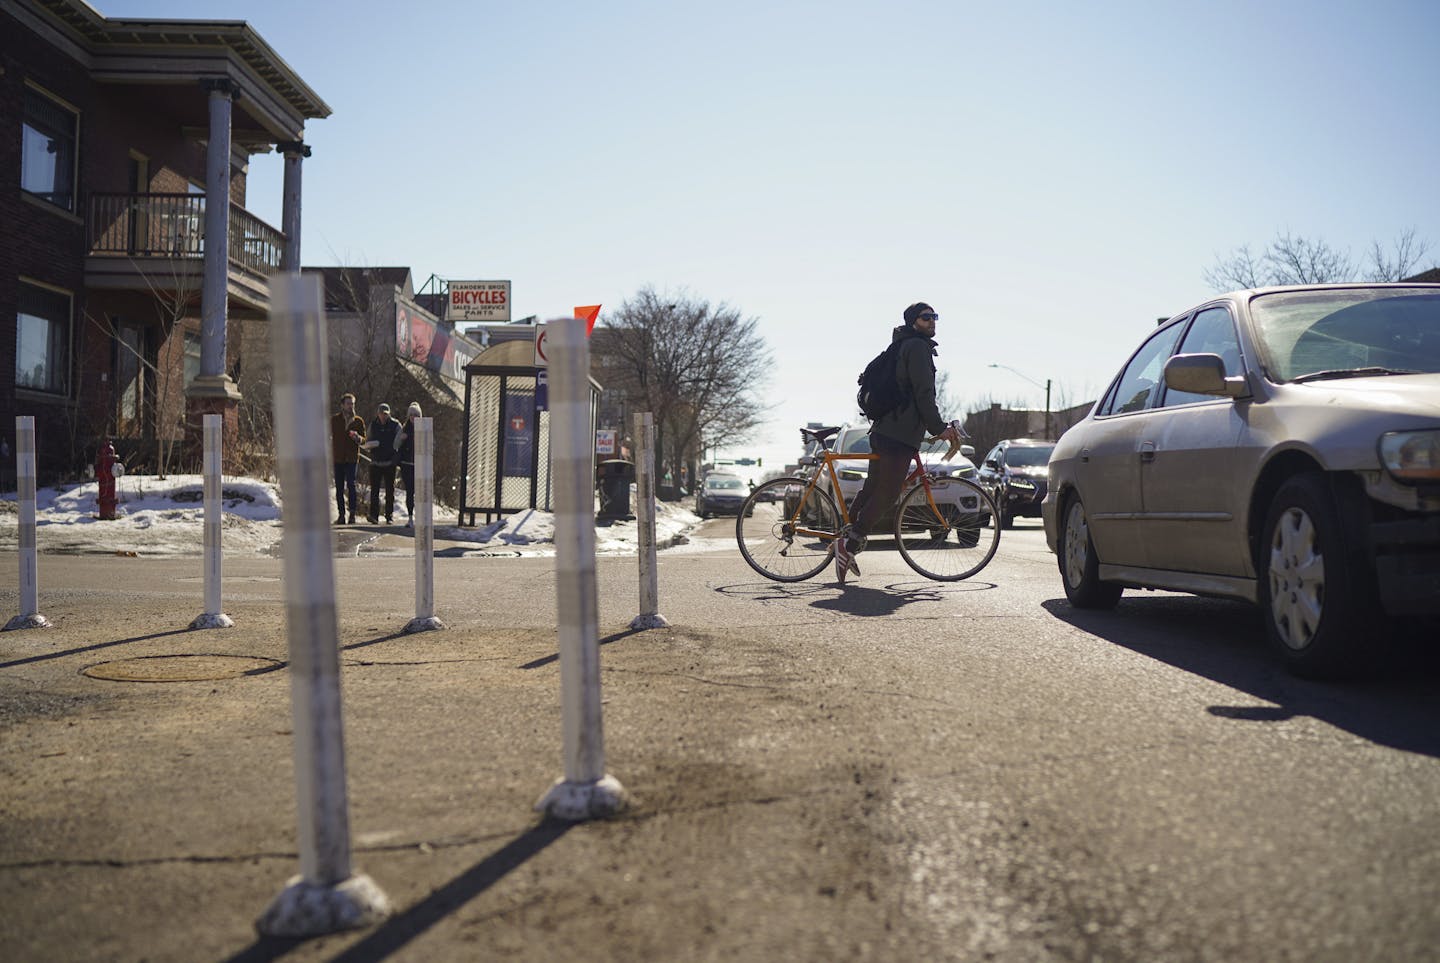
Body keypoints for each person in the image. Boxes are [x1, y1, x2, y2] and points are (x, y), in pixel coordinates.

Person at [835, 301, 962, 584]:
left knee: (872, 488)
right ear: (913, 321)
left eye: (934, 317)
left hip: (884, 430)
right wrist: (939, 427)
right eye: (926, 317)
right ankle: (850, 543)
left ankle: (846, 537)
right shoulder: (917, 348)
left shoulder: (903, 345)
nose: (932, 321)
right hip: (898, 433)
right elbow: (923, 393)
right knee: (889, 493)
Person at [330, 393, 366, 525]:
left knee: (351, 485)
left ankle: (352, 514)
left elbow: (364, 440)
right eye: (348, 404)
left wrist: (358, 438)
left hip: (351, 458)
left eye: (352, 404)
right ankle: (341, 515)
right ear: (342, 405)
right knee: (339, 487)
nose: (351, 406)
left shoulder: (358, 421)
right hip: (338, 457)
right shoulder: (334, 420)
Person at [366, 402, 401, 524]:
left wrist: (395, 458)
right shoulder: (373, 425)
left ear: (389, 414)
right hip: (375, 461)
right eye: (381, 413)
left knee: (389, 491)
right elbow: (368, 439)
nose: (383, 416)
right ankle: (374, 515)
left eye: (385, 414)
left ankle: (389, 515)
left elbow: (399, 442)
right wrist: (370, 445)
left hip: (390, 463)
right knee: (374, 491)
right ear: (378, 413)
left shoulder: (395, 425)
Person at [394, 401, 423, 527]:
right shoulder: (404, 429)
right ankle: (410, 518)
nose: (413, 417)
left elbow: (432, 446)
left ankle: (420, 517)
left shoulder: (424, 429)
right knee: (410, 491)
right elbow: (395, 445)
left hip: (420, 465)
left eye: (416, 415)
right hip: (406, 464)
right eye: (411, 415)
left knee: (420, 492)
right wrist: (401, 439)